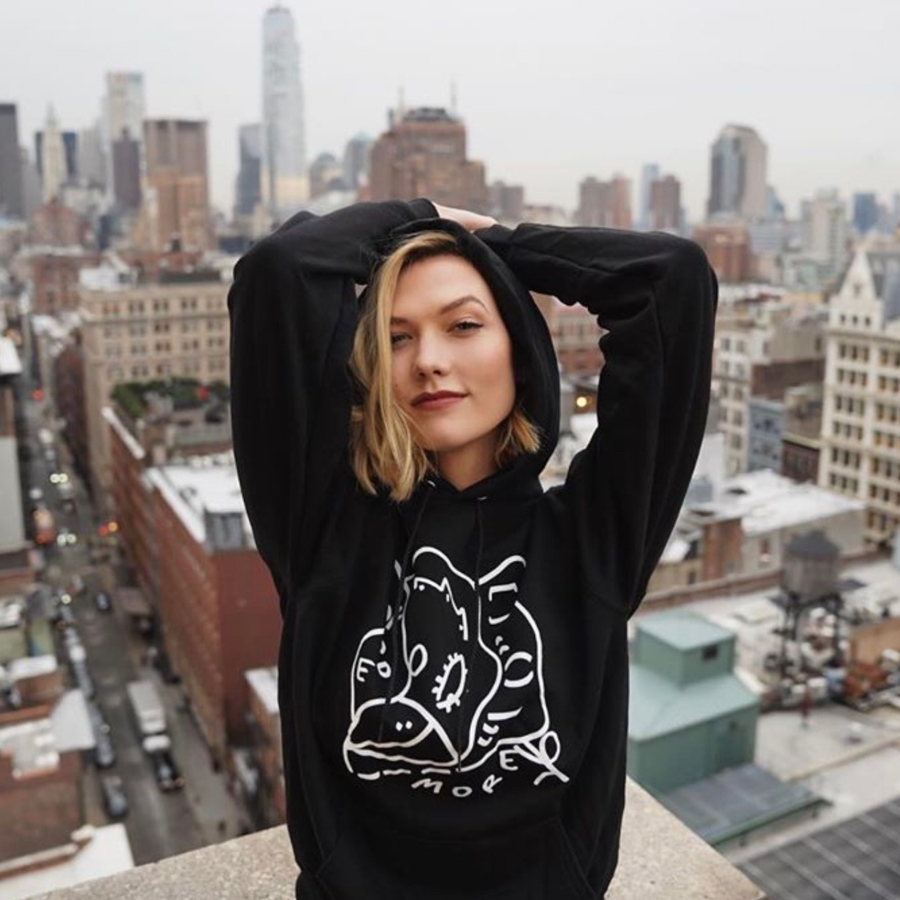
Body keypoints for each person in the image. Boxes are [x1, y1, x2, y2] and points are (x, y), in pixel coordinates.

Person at [228, 199, 717, 900]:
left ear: (519, 345)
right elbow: (278, 272)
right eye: (396, 338)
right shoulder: (323, 530)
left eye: (463, 325)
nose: (429, 361)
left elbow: (671, 278)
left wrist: (500, 246)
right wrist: (423, 215)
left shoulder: (592, 539)